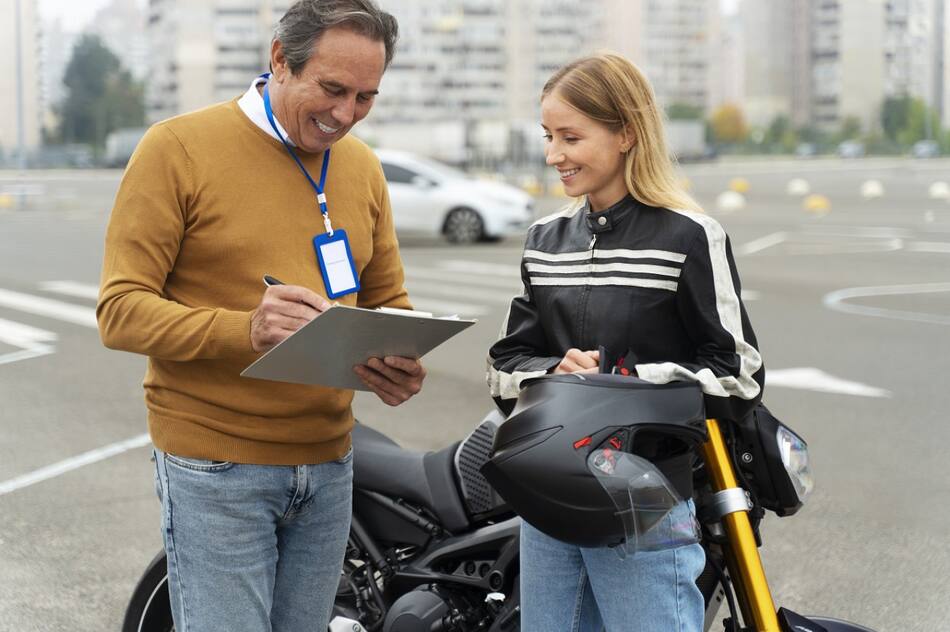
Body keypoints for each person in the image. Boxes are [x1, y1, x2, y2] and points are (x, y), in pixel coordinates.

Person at [97, 1, 426, 630]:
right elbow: (120, 311)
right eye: (332, 89)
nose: (345, 115)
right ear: (280, 58)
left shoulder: (362, 167)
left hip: (331, 465)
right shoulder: (177, 149)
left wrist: (398, 360)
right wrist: (243, 328)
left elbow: (389, 303)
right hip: (216, 465)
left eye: (365, 97)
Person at [487, 53, 765, 631]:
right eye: (548, 136)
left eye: (570, 136)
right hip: (548, 498)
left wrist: (625, 387)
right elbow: (504, 368)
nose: (552, 154)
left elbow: (740, 375)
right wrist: (554, 372)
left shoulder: (689, 234)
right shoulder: (544, 240)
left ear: (626, 134)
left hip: (646, 502)